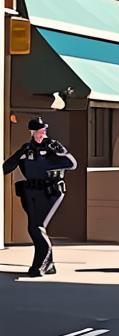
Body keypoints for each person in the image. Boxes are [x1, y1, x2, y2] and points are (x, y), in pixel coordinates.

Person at [2, 117, 77, 276]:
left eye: (43, 131)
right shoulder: (27, 149)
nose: (41, 134)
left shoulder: (52, 147)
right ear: (32, 132)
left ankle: (40, 265)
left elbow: (72, 164)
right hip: (31, 193)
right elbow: (6, 168)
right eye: (38, 131)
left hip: (51, 192)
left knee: (36, 227)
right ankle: (49, 265)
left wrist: (59, 151)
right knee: (34, 228)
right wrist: (20, 154)